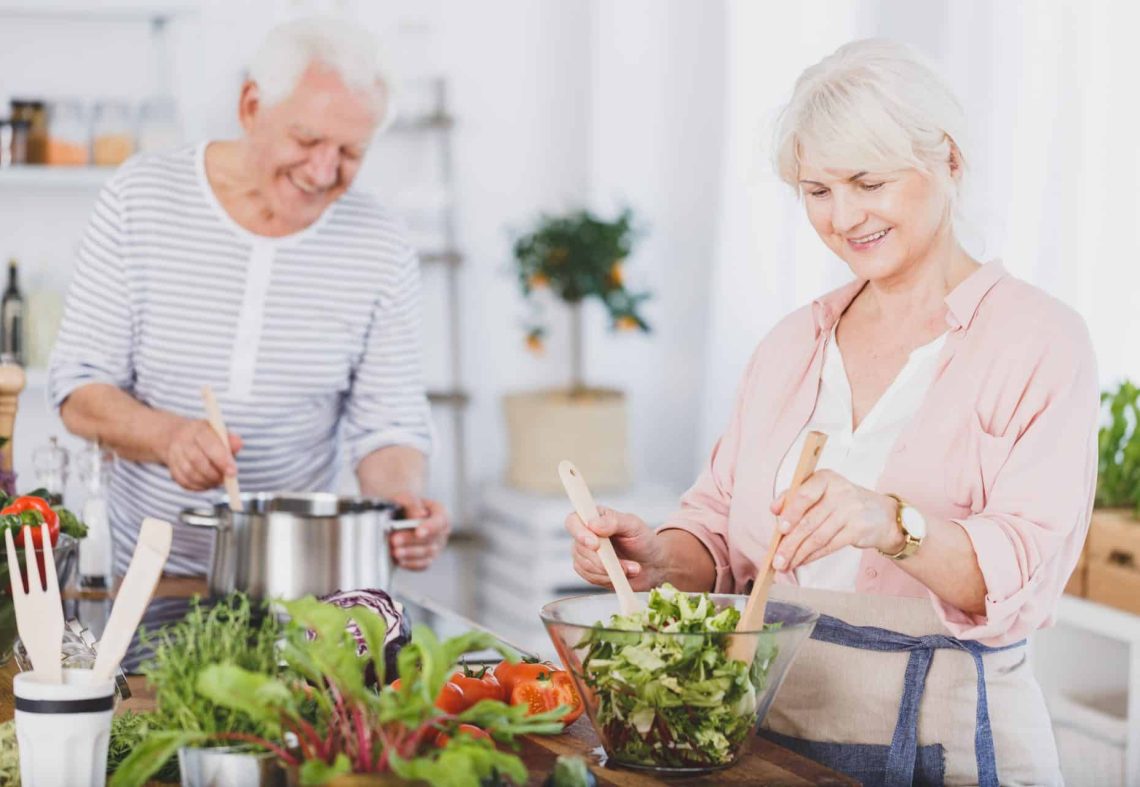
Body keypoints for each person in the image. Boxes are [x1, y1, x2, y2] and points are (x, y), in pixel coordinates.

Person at [565, 39, 1095, 786]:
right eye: (817, 191)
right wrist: (656, 557)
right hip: (777, 739)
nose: (843, 216)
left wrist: (890, 522)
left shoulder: (1040, 340)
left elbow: (1021, 576)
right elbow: (720, 530)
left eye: (867, 182)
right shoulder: (792, 343)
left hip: (951, 747)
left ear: (947, 160)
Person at [49, 17, 449, 577]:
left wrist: (404, 508)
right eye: (306, 140)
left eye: (350, 152)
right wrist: (170, 438)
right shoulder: (139, 197)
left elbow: (389, 425)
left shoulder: (380, 242)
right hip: (140, 573)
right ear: (251, 106)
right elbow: (79, 391)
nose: (322, 170)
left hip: (300, 581)